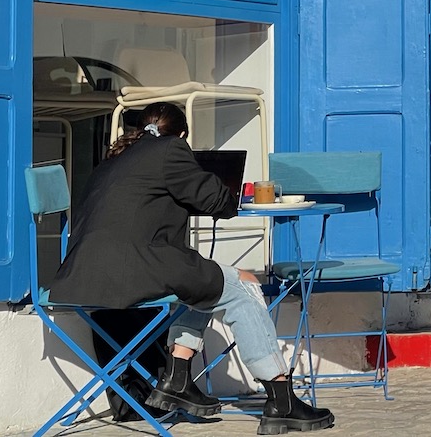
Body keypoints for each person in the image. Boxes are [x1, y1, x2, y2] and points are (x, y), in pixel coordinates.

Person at [49, 103, 334, 433]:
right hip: (136, 270)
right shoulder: (170, 149)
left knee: (204, 285)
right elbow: (217, 201)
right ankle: (281, 399)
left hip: (80, 278)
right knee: (243, 285)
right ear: (182, 134)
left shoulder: (112, 161)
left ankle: (178, 378)